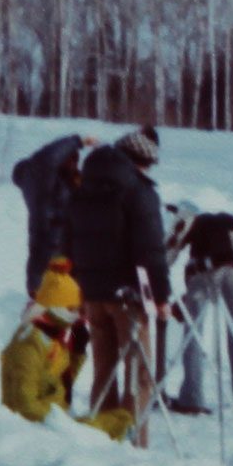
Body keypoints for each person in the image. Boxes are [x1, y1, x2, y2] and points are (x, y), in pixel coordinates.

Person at [67, 125, 170, 448]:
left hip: (93, 293)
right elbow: (150, 249)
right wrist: (162, 297)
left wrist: (80, 286)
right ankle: (135, 444)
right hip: (128, 296)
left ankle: (103, 438)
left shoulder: (85, 187)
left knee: (103, 370)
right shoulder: (138, 192)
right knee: (138, 374)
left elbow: (72, 241)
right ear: (141, 161)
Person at [0, 257, 132, 440]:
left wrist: (77, 352)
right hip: (38, 425)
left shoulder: (52, 336)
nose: (77, 315)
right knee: (113, 427)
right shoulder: (29, 345)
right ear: (55, 307)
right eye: (71, 309)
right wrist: (62, 424)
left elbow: (60, 385)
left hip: (55, 415)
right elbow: (25, 404)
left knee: (121, 418)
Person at [164, 201, 233, 415]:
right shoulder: (231, 220)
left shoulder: (188, 221)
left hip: (203, 269)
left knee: (194, 330)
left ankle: (192, 398)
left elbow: (169, 253)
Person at [12, 133, 99, 298]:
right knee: (53, 317)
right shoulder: (42, 183)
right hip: (50, 265)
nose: (75, 163)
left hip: (69, 265)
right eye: (71, 158)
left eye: (76, 159)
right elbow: (47, 159)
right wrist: (78, 141)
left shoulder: (66, 183)